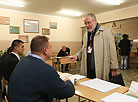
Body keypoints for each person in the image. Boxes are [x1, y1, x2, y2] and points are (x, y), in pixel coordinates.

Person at [8, 35, 75, 102]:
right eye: (50, 48)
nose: (52, 50)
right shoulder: (45, 69)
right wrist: (68, 81)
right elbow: (68, 92)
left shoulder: (23, 60)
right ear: (45, 50)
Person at [69, 13, 118, 81]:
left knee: (101, 87)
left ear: (95, 20)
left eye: (89, 22)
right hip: (88, 68)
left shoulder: (106, 32)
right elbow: (84, 48)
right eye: (85, 23)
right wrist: (77, 56)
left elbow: (113, 51)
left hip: (100, 67)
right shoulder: (86, 34)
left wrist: (114, 68)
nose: (87, 25)